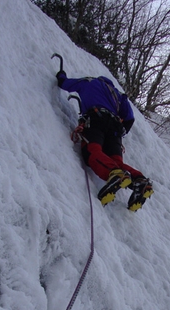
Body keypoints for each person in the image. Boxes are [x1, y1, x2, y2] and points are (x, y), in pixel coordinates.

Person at [56, 71, 153, 211]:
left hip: (95, 120)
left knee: (92, 151)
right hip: (115, 128)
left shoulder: (89, 82)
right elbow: (129, 118)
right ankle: (140, 181)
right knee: (116, 161)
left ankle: (115, 174)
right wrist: (119, 133)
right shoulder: (118, 95)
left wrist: (61, 75)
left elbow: (65, 83)